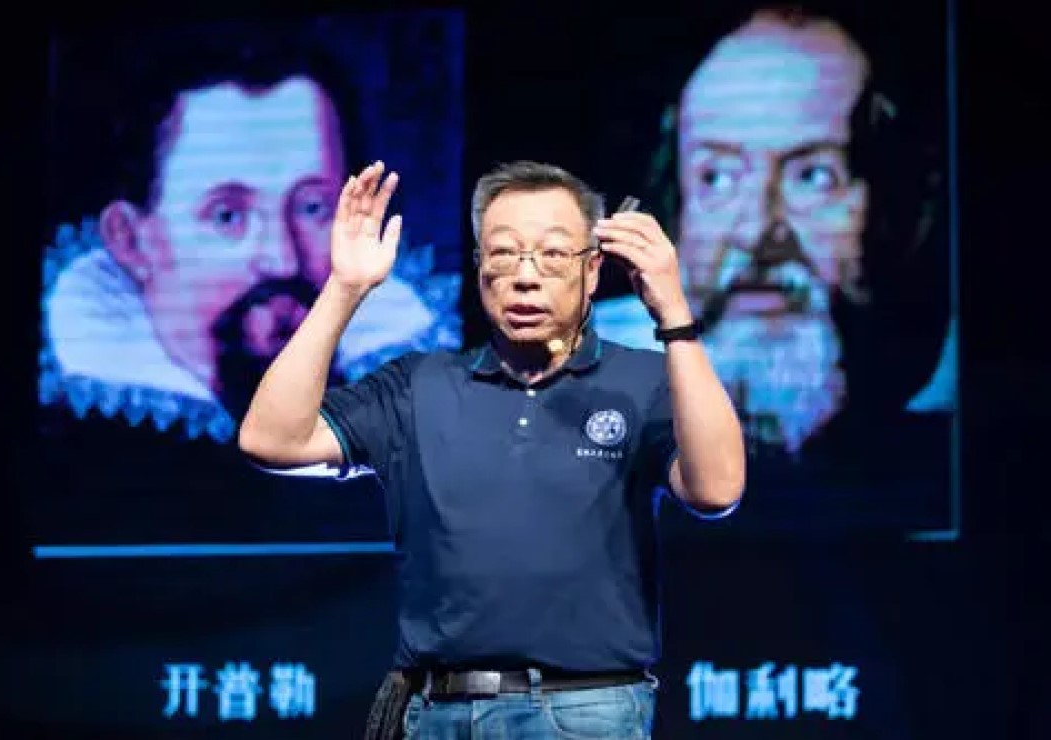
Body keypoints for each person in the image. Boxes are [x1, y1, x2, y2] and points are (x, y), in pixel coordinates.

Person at [238, 159, 746, 737]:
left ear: (593, 269)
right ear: (480, 267)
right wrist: (344, 289)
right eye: (504, 253)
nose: (525, 276)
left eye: (552, 254)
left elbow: (717, 489)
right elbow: (271, 438)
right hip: (437, 712)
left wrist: (674, 315)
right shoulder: (418, 385)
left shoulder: (642, 382)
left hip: (584, 711)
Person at [41, 29, 460, 443]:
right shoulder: (80, 432)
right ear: (131, 241)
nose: (283, 260)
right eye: (228, 216)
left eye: (312, 207)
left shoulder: (412, 400)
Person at [594, 5, 955, 457]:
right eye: (717, 177)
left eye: (813, 176)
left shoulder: (974, 395)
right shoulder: (586, 374)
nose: (755, 232)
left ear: (909, 205)